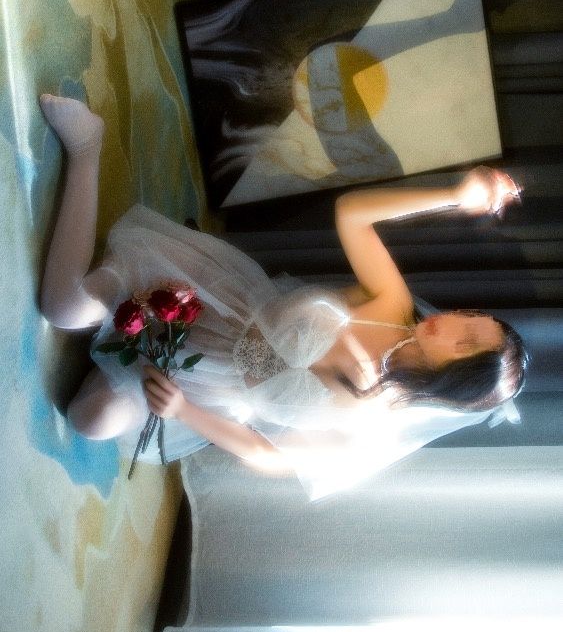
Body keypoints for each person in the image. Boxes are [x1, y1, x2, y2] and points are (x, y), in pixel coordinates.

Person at [38, 93, 528, 502]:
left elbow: (268, 456)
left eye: (465, 343)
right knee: (63, 308)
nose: (451, 323)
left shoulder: (371, 427)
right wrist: (453, 196)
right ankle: (87, 148)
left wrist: (183, 410)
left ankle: (119, 355)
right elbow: (352, 213)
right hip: (211, 300)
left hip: (199, 387)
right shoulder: (391, 307)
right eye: (470, 318)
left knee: (91, 420)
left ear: (453, 380)